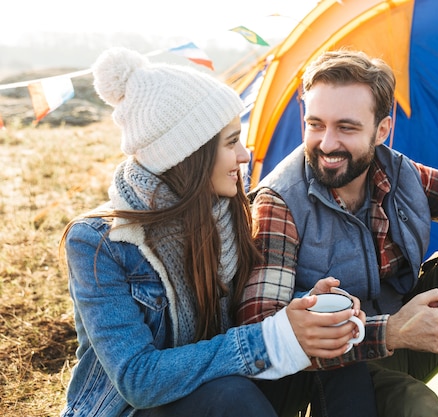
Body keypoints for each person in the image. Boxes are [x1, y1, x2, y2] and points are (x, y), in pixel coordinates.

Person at [241, 49, 438, 417]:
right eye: (315, 124)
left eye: (346, 127)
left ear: (382, 130)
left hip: (412, 334)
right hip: (336, 373)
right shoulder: (278, 203)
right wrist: (391, 331)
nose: (327, 143)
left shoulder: (401, 174)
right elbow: (260, 333)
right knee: (421, 409)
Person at [59, 47, 377, 417]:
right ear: (188, 153)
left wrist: (308, 313)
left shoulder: (230, 214)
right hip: (137, 409)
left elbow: (249, 310)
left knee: (336, 358)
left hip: (229, 388)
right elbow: (137, 379)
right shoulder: (99, 244)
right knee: (230, 395)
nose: (245, 155)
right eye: (231, 142)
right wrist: (271, 339)